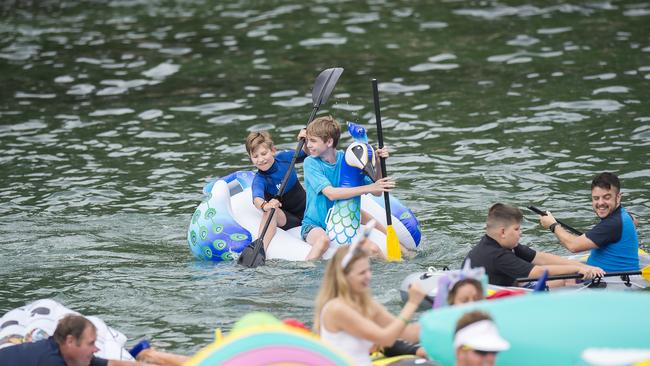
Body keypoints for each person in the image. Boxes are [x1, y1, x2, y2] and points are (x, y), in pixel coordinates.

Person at [313, 237, 427, 365]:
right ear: (343, 277)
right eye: (362, 273)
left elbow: (410, 334)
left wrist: (444, 321)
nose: (369, 276)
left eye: (368, 270)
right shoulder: (336, 308)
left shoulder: (367, 304)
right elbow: (386, 339)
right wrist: (412, 304)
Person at [301, 115, 394, 260]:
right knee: (323, 241)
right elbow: (330, 193)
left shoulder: (347, 159)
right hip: (314, 225)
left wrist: (378, 162)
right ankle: (304, 273)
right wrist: (368, 188)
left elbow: (376, 191)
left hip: (344, 219)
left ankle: (402, 253)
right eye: (307, 140)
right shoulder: (310, 163)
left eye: (313, 141)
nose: (308, 145)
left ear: (329, 142)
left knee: (374, 247)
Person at [463, 203, 605, 287]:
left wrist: (584, 267)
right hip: (492, 299)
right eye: (517, 229)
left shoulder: (502, 244)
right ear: (503, 232)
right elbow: (538, 272)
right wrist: (577, 269)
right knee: (563, 281)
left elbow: (541, 258)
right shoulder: (496, 254)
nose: (520, 233)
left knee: (565, 278)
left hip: (506, 286)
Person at [537, 172, 640, 272]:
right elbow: (635, 220)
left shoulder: (613, 223)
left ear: (618, 197)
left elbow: (573, 246)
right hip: (604, 275)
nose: (600, 203)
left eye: (606, 197)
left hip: (613, 282)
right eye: (596, 198)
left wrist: (552, 225)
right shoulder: (624, 216)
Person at [0, 314, 151, 366]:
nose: (96, 348)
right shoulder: (50, 360)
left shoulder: (70, 356)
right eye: (91, 343)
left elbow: (111, 364)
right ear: (70, 341)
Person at [245, 130, 308, 251]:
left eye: (263, 153)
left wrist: (305, 138)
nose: (260, 159)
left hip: (308, 211)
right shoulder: (259, 180)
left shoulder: (285, 158)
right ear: (251, 159)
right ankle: (260, 249)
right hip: (289, 220)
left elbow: (306, 153)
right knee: (270, 211)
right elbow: (257, 199)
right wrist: (266, 205)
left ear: (273, 150)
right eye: (255, 156)